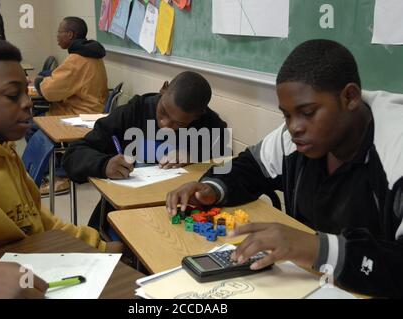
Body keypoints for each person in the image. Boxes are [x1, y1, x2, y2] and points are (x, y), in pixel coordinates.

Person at [166, 39, 403, 298]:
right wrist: (211, 188)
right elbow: (247, 167)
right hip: (305, 284)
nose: (294, 127)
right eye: (286, 115)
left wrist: (317, 248)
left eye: (308, 112)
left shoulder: (395, 150)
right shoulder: (294, 140)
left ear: (350, 97)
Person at [0, 37, 120, 299]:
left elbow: (40, 222)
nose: (27, 102)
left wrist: (100, 245)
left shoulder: (2, 152)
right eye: (12, 95)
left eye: (25, 91)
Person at [63, 71, 229, 231]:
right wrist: (104, 164)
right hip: (124, 213)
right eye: (163, 111)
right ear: (163, 90)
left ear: (197, 116)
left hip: (177, 215)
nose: (165, 124)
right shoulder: (134, 111)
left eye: (179, 124)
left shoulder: (207, 123)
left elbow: (223, 154)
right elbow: (73, 154)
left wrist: (195, 153)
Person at [34, 16, 108, 116]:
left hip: (76, 115)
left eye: (59, 32)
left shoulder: (76, 59)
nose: (57, 36)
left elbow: (50, 91)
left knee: (29, 124)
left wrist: (38, 82)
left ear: (70, 35)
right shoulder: (95, 56)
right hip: (93, 111)